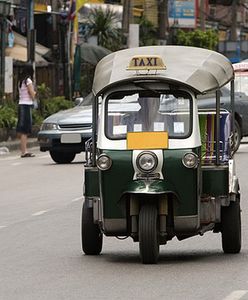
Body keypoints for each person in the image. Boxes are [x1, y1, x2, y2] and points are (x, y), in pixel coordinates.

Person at [16, 65, 36, 158]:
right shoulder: (28, 80)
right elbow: (31, 93)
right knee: (25, 129)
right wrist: (35, 94)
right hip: (26, 105)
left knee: (22, 128)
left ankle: (24, 150)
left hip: (21, 104)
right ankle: (24, 151)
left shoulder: (21, 81)